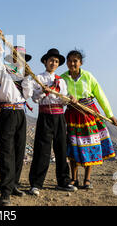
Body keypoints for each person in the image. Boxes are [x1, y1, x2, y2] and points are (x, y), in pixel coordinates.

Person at [61, 50, 117, 189]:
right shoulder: (62, 78)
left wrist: (109, 114)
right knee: (73, 146)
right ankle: (73, 179)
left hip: (89, 114)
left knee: (91, 145)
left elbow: (100, 94)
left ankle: (87, 179)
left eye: (75, 61)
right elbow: (59, 95)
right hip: (72, 116)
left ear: (80, 63)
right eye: (69, 60)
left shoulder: (88, 76)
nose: (72, 63)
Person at [23, 48, 77, 196]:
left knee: (61, 149)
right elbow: (34, 98)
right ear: (45, 61)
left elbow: (63, 100)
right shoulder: (38, 78)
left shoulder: (61, 81)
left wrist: (69, 98)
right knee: (42, 150)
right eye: (51, 60)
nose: (53, 63)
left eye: (56, 61)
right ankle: (36, 184)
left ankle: (64, 181)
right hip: (45, 116)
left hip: (60, 117)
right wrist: (43, 91)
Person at [0, 28, 30, 206]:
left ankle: (14, 184)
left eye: (21, 57)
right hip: (7, 111)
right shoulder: (4, 70)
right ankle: (5, 190)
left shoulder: (27, 76)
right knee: (7, 151)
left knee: (19, 150)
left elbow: (28, 95)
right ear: (11, 57)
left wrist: (29, 80)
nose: (18, 59)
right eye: (15, 56)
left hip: (21, 112)